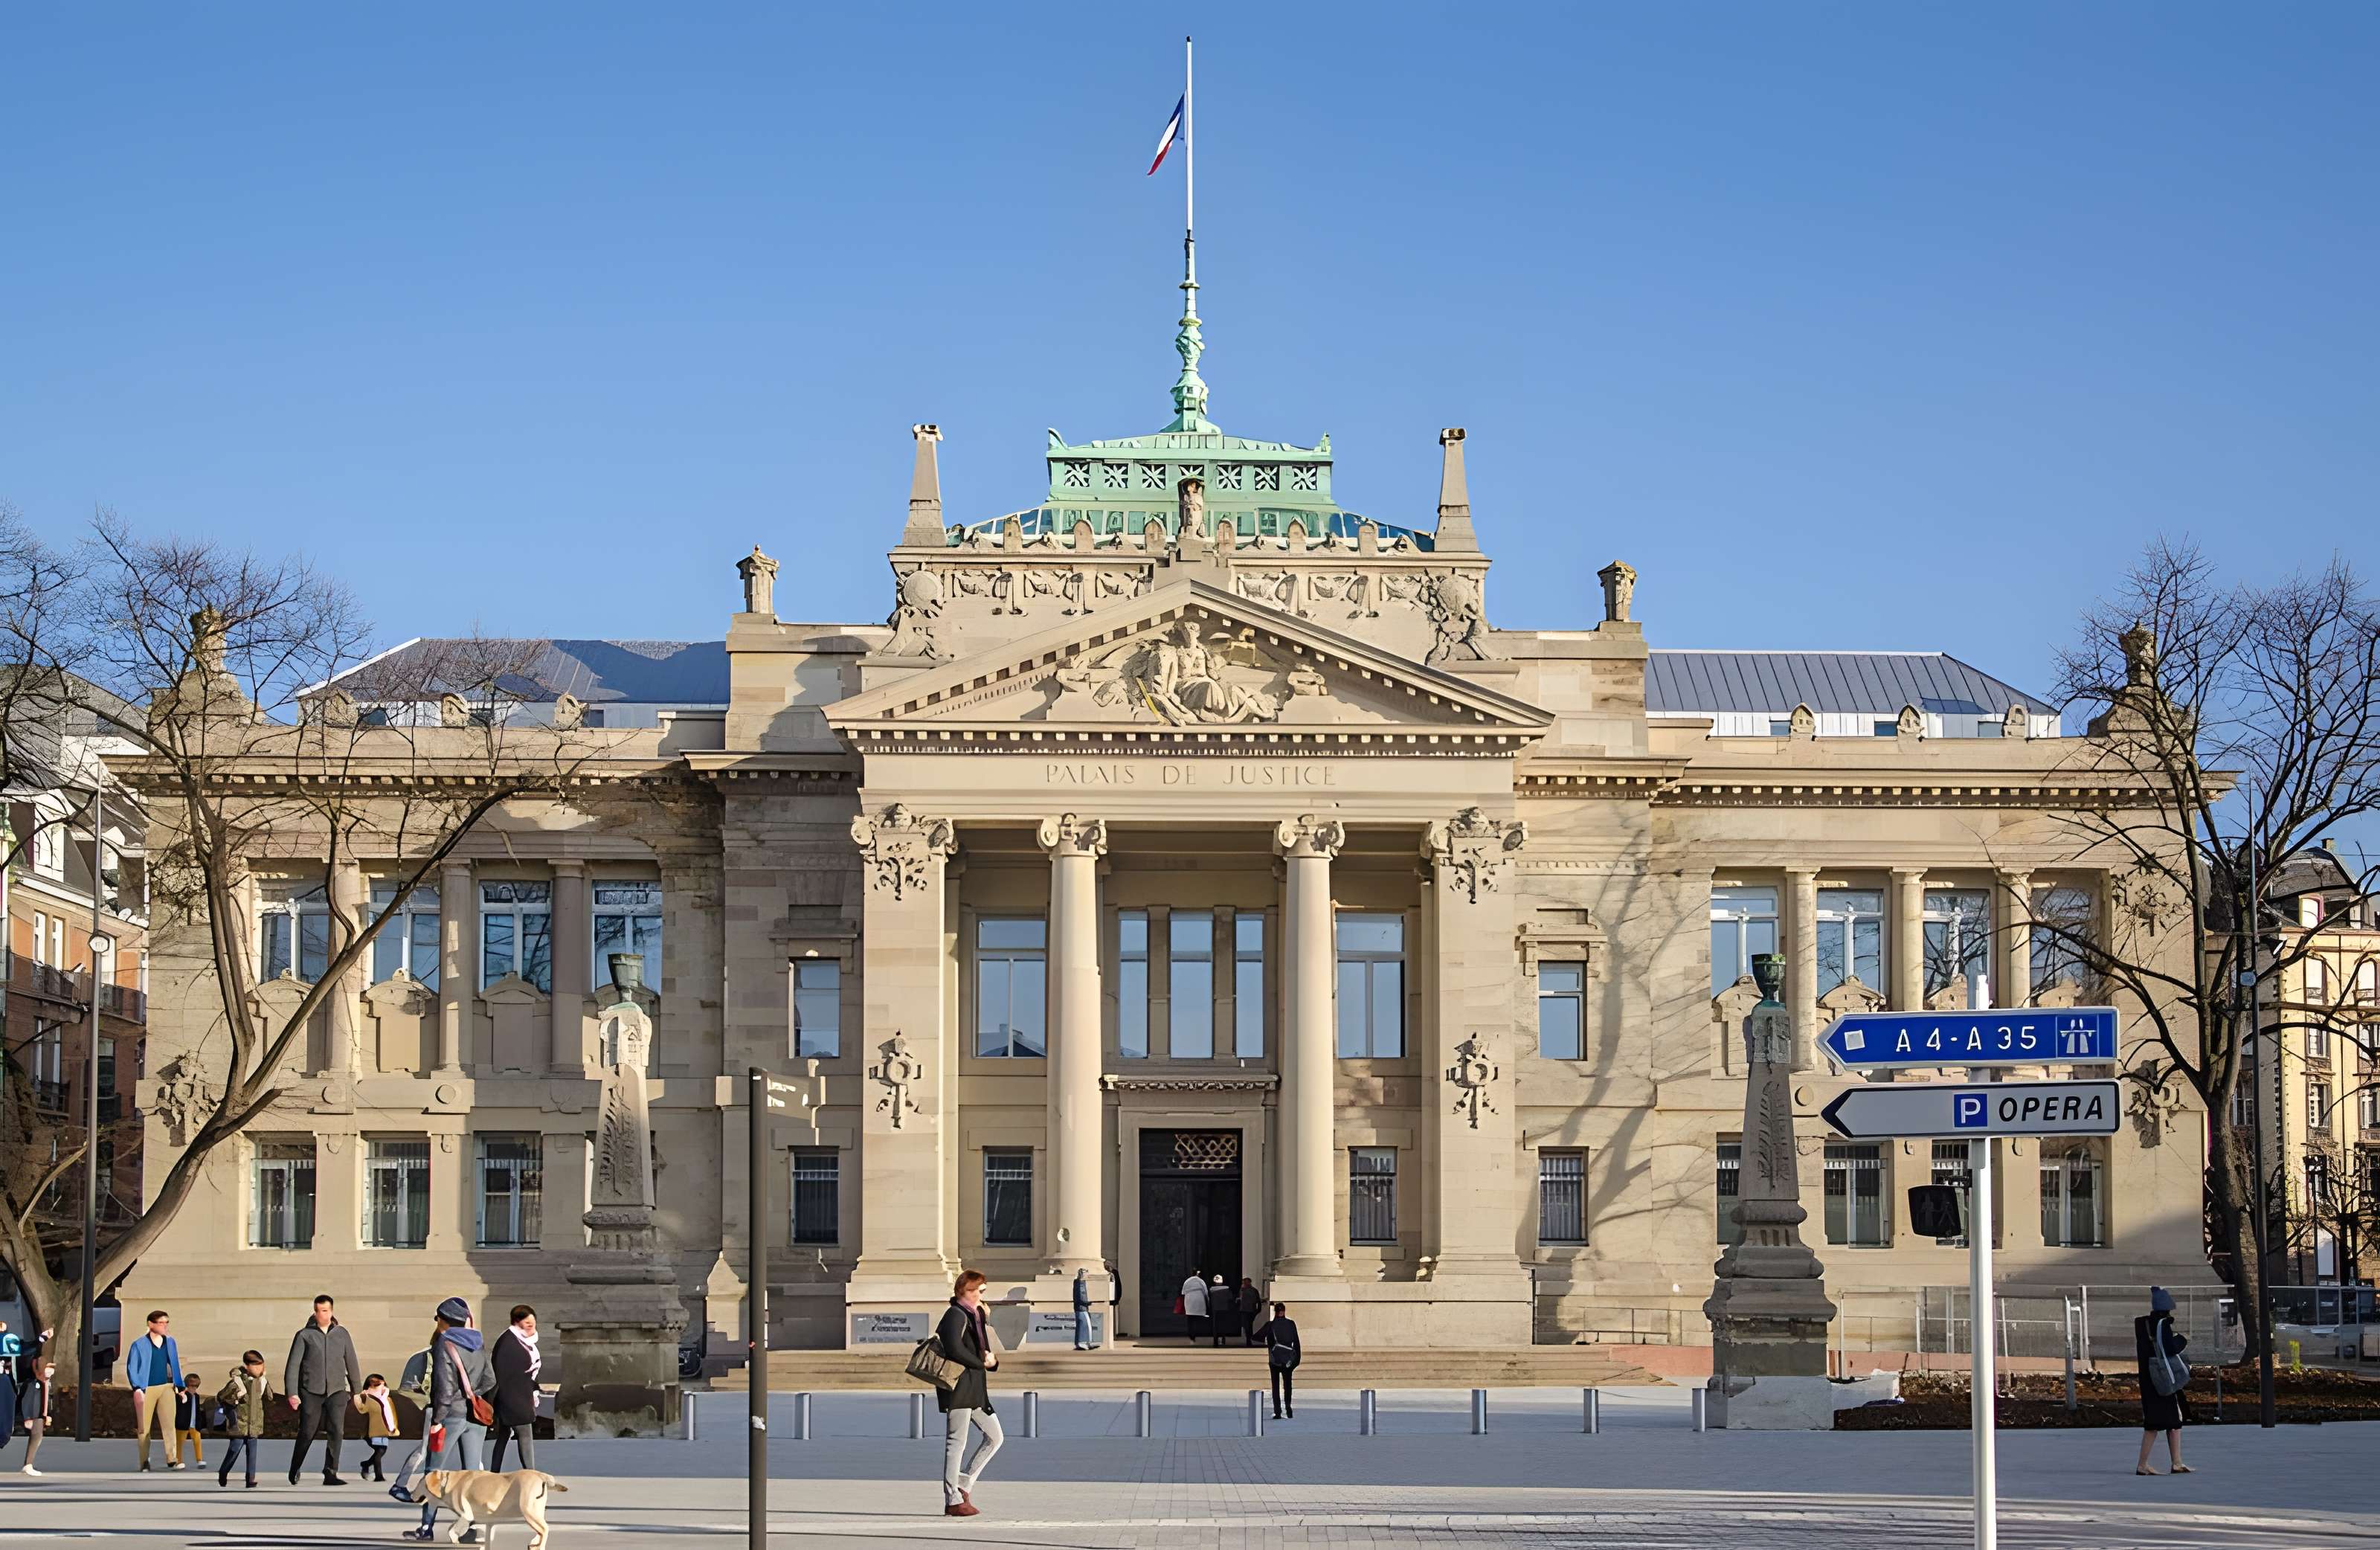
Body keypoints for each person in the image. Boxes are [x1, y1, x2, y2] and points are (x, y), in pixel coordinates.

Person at [406, 1297, 493, 1543]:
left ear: (443, 1321)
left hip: (450, 1414)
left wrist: (438, 1419)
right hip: (474, 1416)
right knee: (473, 1473)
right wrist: (471, 1393)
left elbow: (444, 1388)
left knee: (433, 1472)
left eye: (437, 1319)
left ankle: (426, 1527)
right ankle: (473, 1528)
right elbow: (490, 1379)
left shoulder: (445, 1343)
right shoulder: (478, 1341)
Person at [934, 1269, 1004, 1518]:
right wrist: (979, 1362)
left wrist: (991, 1363)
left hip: (975, 1389)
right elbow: (954, 1348)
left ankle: (964, 1484)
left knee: (995, 1437)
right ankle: (953, 1499)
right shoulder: (955, 1314)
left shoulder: (974, 1315)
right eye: (979, 1290)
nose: (982, 1295)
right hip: (958, 1388)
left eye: (984, 1290)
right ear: (967, 1290)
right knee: (956, 1443)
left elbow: (984, 1351)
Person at [285, 1292, 362, 1485]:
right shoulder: (305, 1335)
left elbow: (351, 1361)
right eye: (318, 1311)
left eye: (325, 1310)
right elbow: (293, 1365)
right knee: (308, 1431)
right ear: (315, 1311)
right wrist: (292, 1393)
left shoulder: (342, 1334)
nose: (322, 1314)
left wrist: (357, 1390)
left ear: (332, 1311)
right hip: (311, 1391)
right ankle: (295, 1467)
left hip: (337, 1391)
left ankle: (331, 1472)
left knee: (337, 1430)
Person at [2135, 1285, 2193, 1476]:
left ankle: (2169, 1463)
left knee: (2156, 1423)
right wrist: (2183, 1340)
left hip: (2148, 1379)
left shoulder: (2143, 1325)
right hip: (2164, 1380)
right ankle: (2164, 1463)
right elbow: (2170, 1349)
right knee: (2172, 1422)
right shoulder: (2163, 1325)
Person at [125, 1309, 181, 1471]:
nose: (165, 1326)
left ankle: (172, 1458)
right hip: (146, 1389)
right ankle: (144, 1461)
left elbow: (175, 1365)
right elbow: (132, 1367)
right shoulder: (139, 1344)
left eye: (167, 1322)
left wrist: (180, 1385)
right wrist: (136, 1387)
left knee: (170, 1424)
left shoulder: (170, 1342)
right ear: (151, 1324)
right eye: (161, 1322)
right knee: (144, 1428)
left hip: (167, 1387)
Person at [488, 1305, 540, 1472]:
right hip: (514, 1399)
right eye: (528, 1324)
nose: (532, 1328)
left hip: (517, 1397)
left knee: (504, 1436)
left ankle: (494, 1472)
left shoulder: (520, 1340)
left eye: (533, 1324)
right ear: (517, 1323)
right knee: (525, 1435)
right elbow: (503, 1374)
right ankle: (531, 1474)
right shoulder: (509, 1343)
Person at [216, 1350, 275, 1489]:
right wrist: (235, 1396)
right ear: (247, 1366)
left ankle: (251, 1478)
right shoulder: (238, 1382)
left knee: (252, 1453)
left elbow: (270, 1398)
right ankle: (223, 1472)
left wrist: (265, 1383)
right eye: (256, 1366)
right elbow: (221, 1397)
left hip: (254, 1423)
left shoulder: (261, 1381)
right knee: (234, 1451)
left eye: (261, 1366)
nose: (260, 1369)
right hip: (239, 1424)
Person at [353, 1373, 399, 1482]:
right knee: (380, 1451)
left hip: (385, 1430)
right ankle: (379, 1476)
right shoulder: (368, 1398)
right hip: (372, 1431)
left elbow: (391, 1414)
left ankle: (366, 1464)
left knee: (381, 1450)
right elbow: (362, 1410)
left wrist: (392, 1428)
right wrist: (360, 1398)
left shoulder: (386, 1398)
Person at [16, 1356, 55, 1476]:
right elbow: (27, 1401)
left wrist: (48, 1414)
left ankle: (29, 1463)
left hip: (40, 1416)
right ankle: (28, 1464)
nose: (50, 1371)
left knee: (38, 1437)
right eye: (48, 1368)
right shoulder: (34, 1384)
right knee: (36, 1437)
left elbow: (48, 1400)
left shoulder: (46, 1382)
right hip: (34, 1416)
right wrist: (28, 1417)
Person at [1266, 1302, 1302, 1420]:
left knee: (1275, 1386)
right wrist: (1296, 1360)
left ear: (1275, 1312)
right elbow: (1296, 1342)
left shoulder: (1271, 1325)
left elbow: (1265, 1341)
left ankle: (1278, 1411)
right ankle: (1288, 1407)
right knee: (1288, 1384)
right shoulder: (1291, 1324)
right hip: (1287, 1359)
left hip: (1275, 1360)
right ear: (1284, 1311)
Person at [173, 1371, 209, 1470]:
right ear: (187, 1385)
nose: (194, 1389)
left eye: (196, 1386)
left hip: (194, 1424)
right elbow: (177, 1408)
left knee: (197, 1441)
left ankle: (199, 1459)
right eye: (191, 1386)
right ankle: (178, 1461)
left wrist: (199, 1422)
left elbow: (197, 1410)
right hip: (183, 1423)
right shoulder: (182, 1395)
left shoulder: (196, 1396)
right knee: (179, 1443)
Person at [1180, 1269, 1208, 1344]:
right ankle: (1197, 1334)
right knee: (1198, 1319)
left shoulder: (1187, 1281)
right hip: (1199, 1301)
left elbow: (1183, 1292)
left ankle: (1192, 1336)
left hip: (1189, 1302)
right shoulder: (1201, 1281)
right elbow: (1206, 1293)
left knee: (1190, 1320)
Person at [1071, 1269, 1093, 1351]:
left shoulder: (1080, 1283)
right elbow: (1080, 1297)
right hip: (1081, 1308)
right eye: (1086, 1274)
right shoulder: (1080, 1284)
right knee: (1085, 1326)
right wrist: (1087, 1303)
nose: (1087, 1276)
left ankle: (1082, 1343)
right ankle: (1083, 1343)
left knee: (1082, 1326)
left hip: (1081, 1308)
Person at [1237, 1279, 1262, 1346]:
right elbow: (1258, 1301)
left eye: (1244, 1283)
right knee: (1248, 1325)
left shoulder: (1245, 1290)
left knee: (1247, 1326)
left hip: (1247, 1311)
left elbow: (1257, 1301)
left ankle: (1249, 1339)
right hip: (1249, 1310)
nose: (1244, 1284)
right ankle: (1249, 1338)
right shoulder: (1252, 1290)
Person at [1209, 1274, 1232, 1347]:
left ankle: (1215, 1341)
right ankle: (1223, 1339)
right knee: (1223, 1324)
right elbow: (1230, 1298)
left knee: (1215, 1326)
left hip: (1215, 1308)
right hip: (1224, 1308)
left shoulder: (1211, 1289)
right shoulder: (1227, 1289)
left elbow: (1208, 1299)